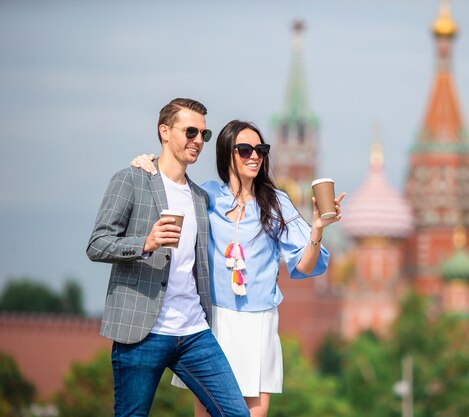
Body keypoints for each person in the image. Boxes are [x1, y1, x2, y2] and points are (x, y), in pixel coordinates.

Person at [131, 120, 345, 417]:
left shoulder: (277, 202)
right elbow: (167, 193)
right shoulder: (204, 196)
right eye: (245, 150)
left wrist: (317, 229)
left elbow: (306, 264)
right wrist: (148, 168)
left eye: (261, 149)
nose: (254, 156)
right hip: (212, 321)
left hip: (259, 322)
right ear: (226, 154)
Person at [87, 98, 250, 417]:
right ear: (164, 131)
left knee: (236, 413)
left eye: (204, 134)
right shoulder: (132, 179)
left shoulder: (201, 197)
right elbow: (97, 243)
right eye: (190, 131)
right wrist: (145, 242)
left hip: (193, 330)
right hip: (141, 331)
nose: (198, 141)